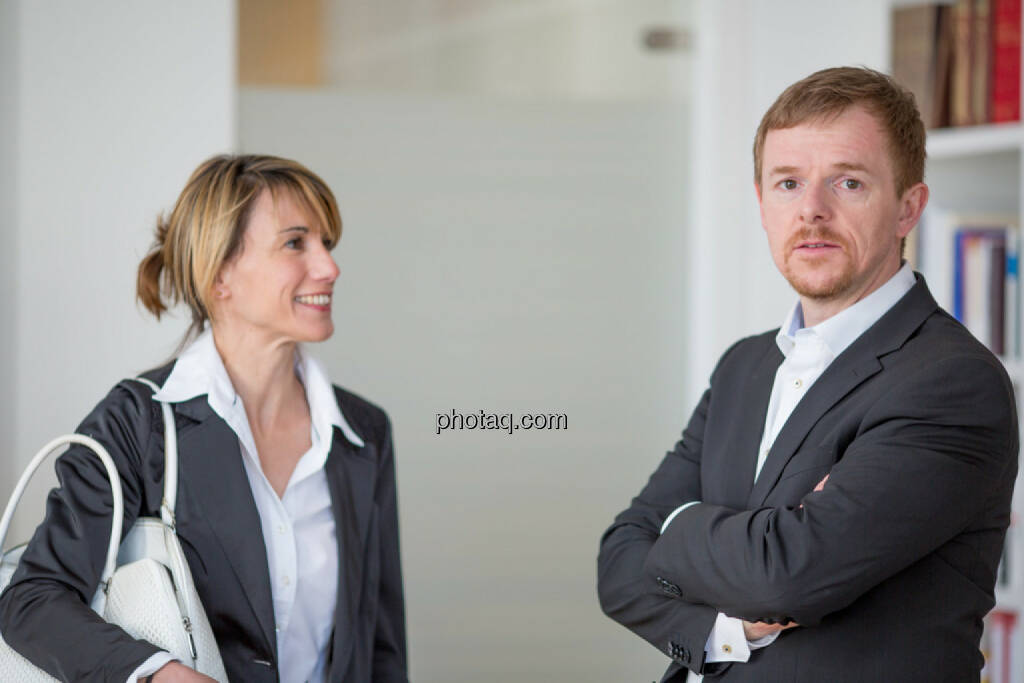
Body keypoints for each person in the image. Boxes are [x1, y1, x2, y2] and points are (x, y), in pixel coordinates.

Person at [597, 67, 1018, 683]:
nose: (812, 211)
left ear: (908, 207)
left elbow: (786, 574)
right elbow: (618, 561)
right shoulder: (745, 366)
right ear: (763, 204)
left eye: (848, 182)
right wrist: (725, 631)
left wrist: (677, 524)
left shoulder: (951, 381)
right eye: (788, 183)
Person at [0, 154, 408, 683]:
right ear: (220, 275)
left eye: (326, 243)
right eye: (295, 243)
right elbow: (32, 600)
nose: (329, 267)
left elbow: (381, 649)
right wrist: (157, 674)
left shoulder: (363, 433)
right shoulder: (137, 423)